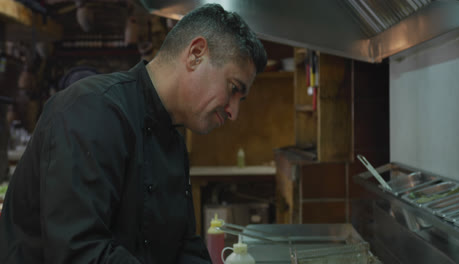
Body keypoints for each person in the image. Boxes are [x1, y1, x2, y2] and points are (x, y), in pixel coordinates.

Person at [0, 3, 267, 264]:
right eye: (233, 88)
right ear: (196, 53)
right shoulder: (90, 111)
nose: (234, 113)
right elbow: (80, 252)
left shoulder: (173, 140)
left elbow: (183, 246)